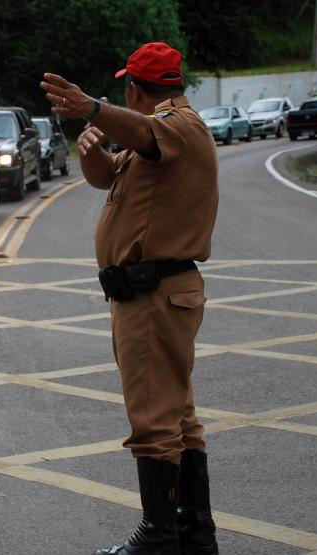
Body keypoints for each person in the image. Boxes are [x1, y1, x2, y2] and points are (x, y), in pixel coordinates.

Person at [41, 42, 219, 555]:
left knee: (154, 422)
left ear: (134, 89)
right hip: (153, 295)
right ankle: (192, 532)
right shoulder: (160, 136)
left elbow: (142, 132)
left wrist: (92, 108)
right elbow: (110, 177)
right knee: (178, 418)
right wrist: (92, 152)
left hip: (154, 295)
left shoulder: (177, 125)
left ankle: (159, 538)